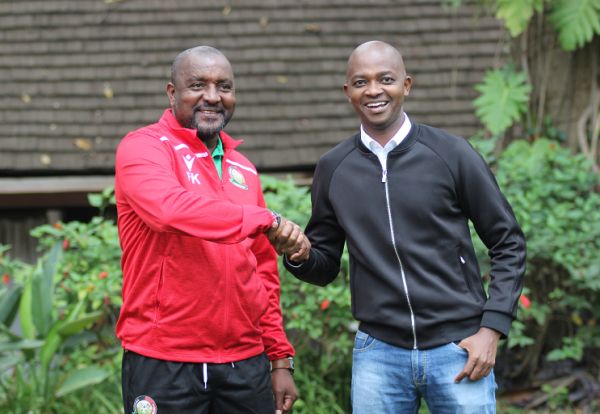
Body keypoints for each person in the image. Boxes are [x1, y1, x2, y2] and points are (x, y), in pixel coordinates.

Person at [284, 40, 526, 413]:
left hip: (459, 347)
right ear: (348, 92)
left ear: (406, 85)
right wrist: (299, 255)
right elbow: (325, 263)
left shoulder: (452, 154)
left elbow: (507, 241)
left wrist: (491, 330)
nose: (375, 90)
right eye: (361, 82)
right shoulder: (333, 168)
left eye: (386, 79)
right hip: (378, 354)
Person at [114, 46, 308, 414]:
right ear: (172, 93)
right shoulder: (144, 147)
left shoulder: (244, 169)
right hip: (164, 360)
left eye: (224, 86)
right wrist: (266, 219)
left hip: (245, 362)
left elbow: (263, 271)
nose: (213, 97)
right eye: (198, 85)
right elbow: (169, 209)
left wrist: (279, 357)